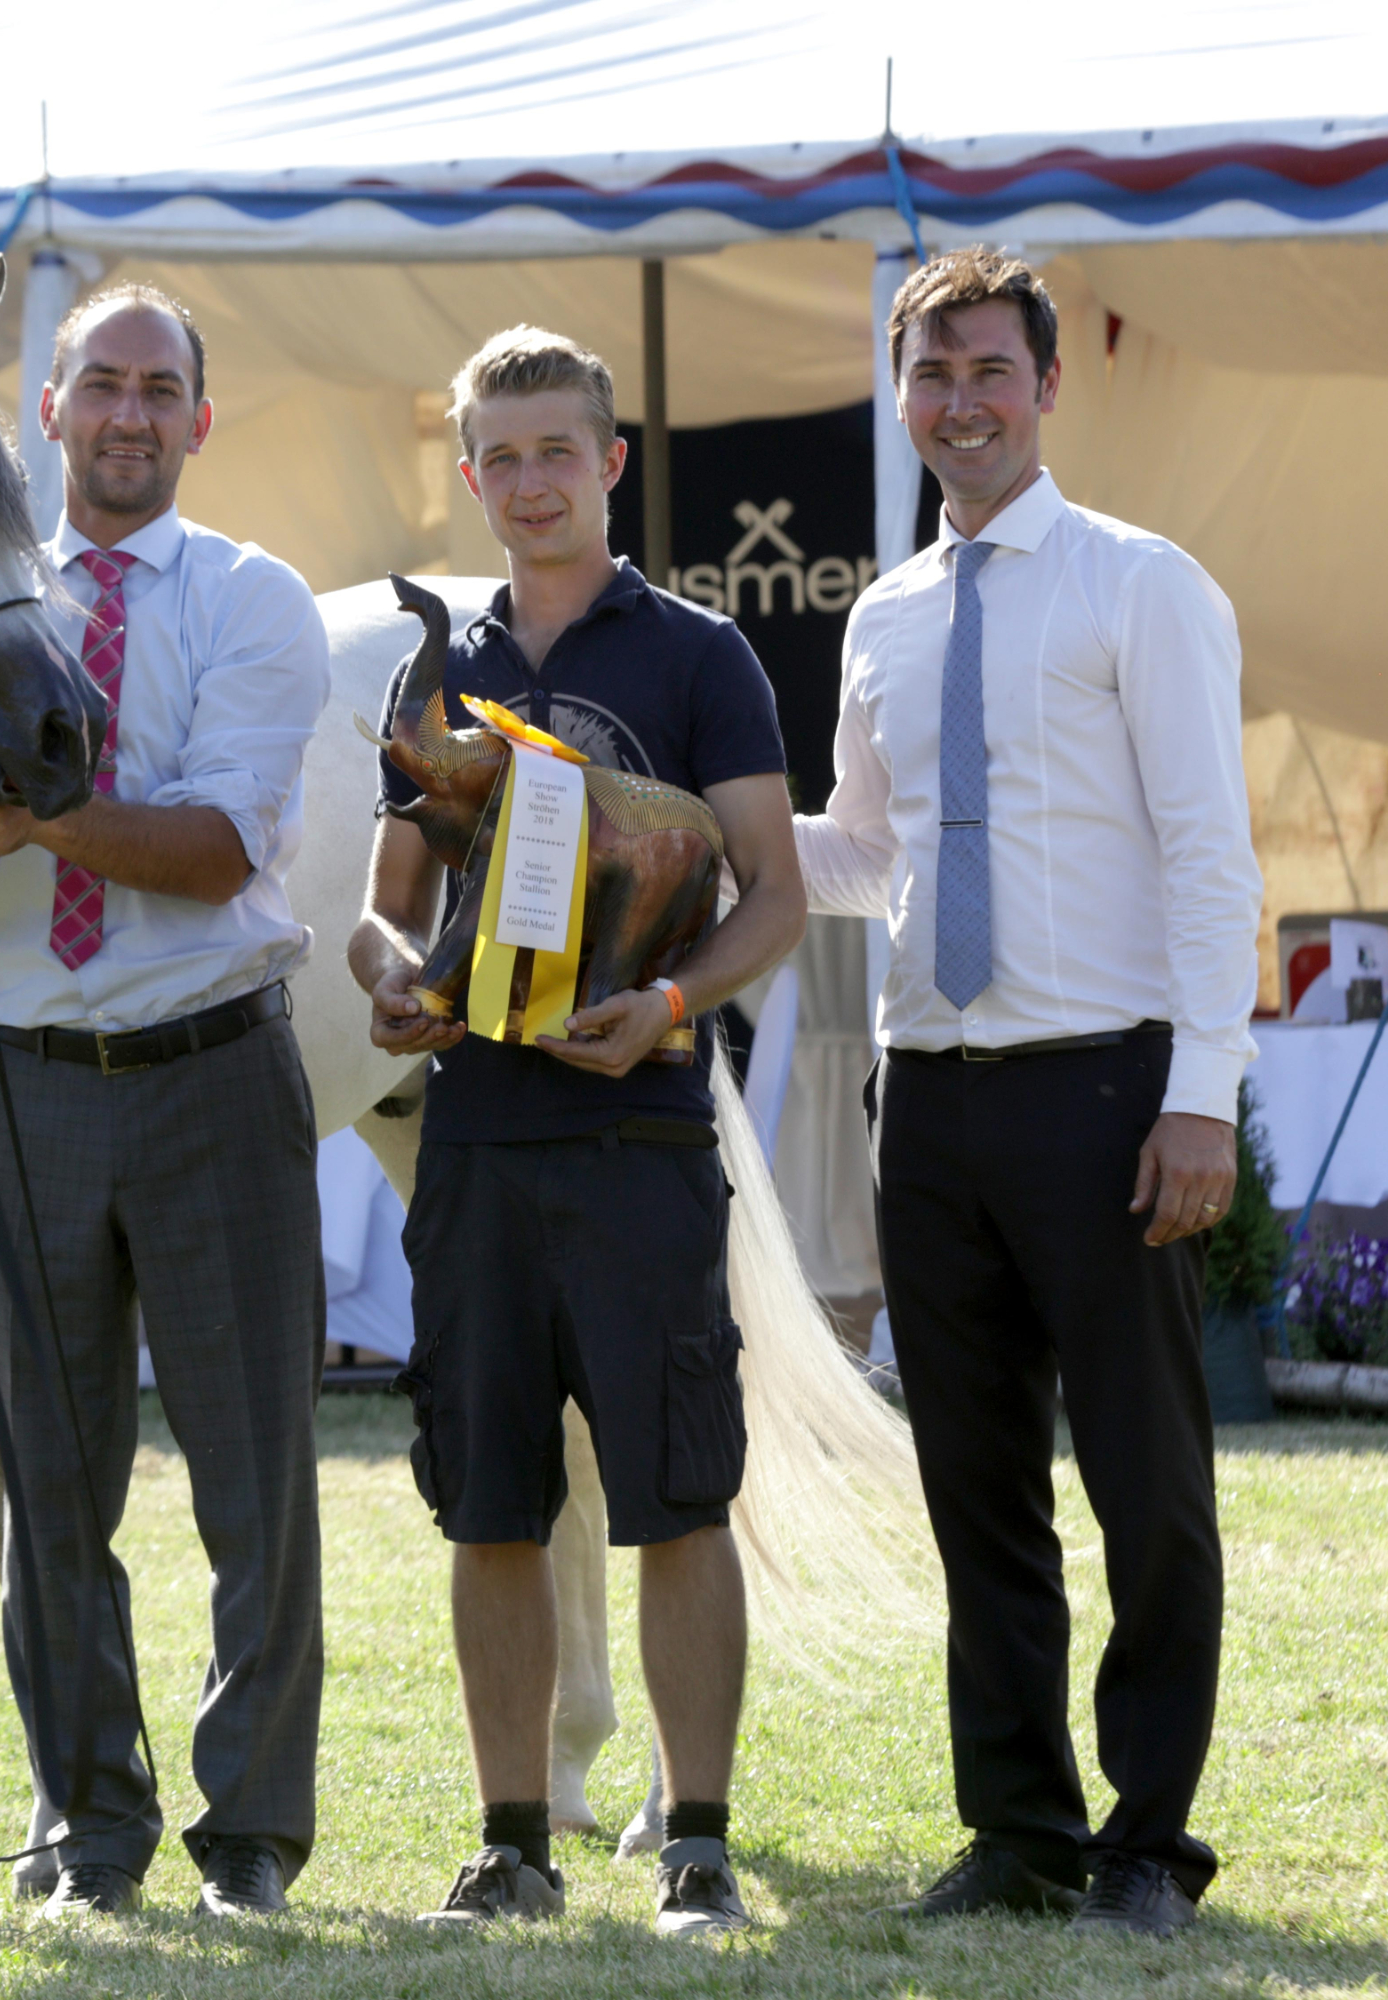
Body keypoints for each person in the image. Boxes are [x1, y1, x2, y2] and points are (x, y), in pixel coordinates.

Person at [794, 248, 1260, 1938]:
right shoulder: (883, 618)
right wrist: (695, 837)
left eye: (990, 369)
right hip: (928, 1104)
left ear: (1048, 386)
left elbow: (1210, 856)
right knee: (974, 1490)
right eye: (930, 375)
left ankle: (1146, 1843)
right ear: (899, 396)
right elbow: (867, 854)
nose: (960, 402)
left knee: (1145, 1488)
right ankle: (1016, 1834)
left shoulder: (1143, 586)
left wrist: (1198, 1094)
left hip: (1107, 1095)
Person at [0, 283, 331, 1921]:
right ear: (44, 410)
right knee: (48, 1494)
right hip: (28, 1088)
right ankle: (88, 1828)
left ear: (200, 418)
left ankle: (249, 1833)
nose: (130, 414)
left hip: (216, 1072)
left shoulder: (256, 600)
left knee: (253, 1487)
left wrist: (30, 821)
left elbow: (212, 852)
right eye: (101, 385)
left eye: (160, 389)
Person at [349, 326, 805, 1939]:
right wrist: (390, 979)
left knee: (676, 1493)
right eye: (501, 456)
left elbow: (775, 896)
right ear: (467, 475)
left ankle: (698, 1844)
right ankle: (510, 1845)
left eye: (558, 451)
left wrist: (668, 1005)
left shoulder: (697, 657)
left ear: (609, 462)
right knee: (486, 1502)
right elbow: (383, 908)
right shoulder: (436, 667)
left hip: (641, 1132)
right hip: (474, 1137)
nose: (530, 481)